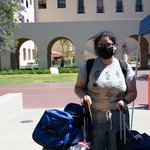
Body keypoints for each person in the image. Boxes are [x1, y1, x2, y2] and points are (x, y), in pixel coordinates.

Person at [74, 31, 137, 150]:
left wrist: (125, 101)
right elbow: (78, 88)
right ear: (96, 48)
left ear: (115, 46)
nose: (105, 47)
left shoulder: (124, 66)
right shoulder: (88, 66)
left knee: (119, 147)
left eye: (108, 44)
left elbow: (133, 91)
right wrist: (84, 96)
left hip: (119, 117)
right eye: (101, 45)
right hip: (95, 118)